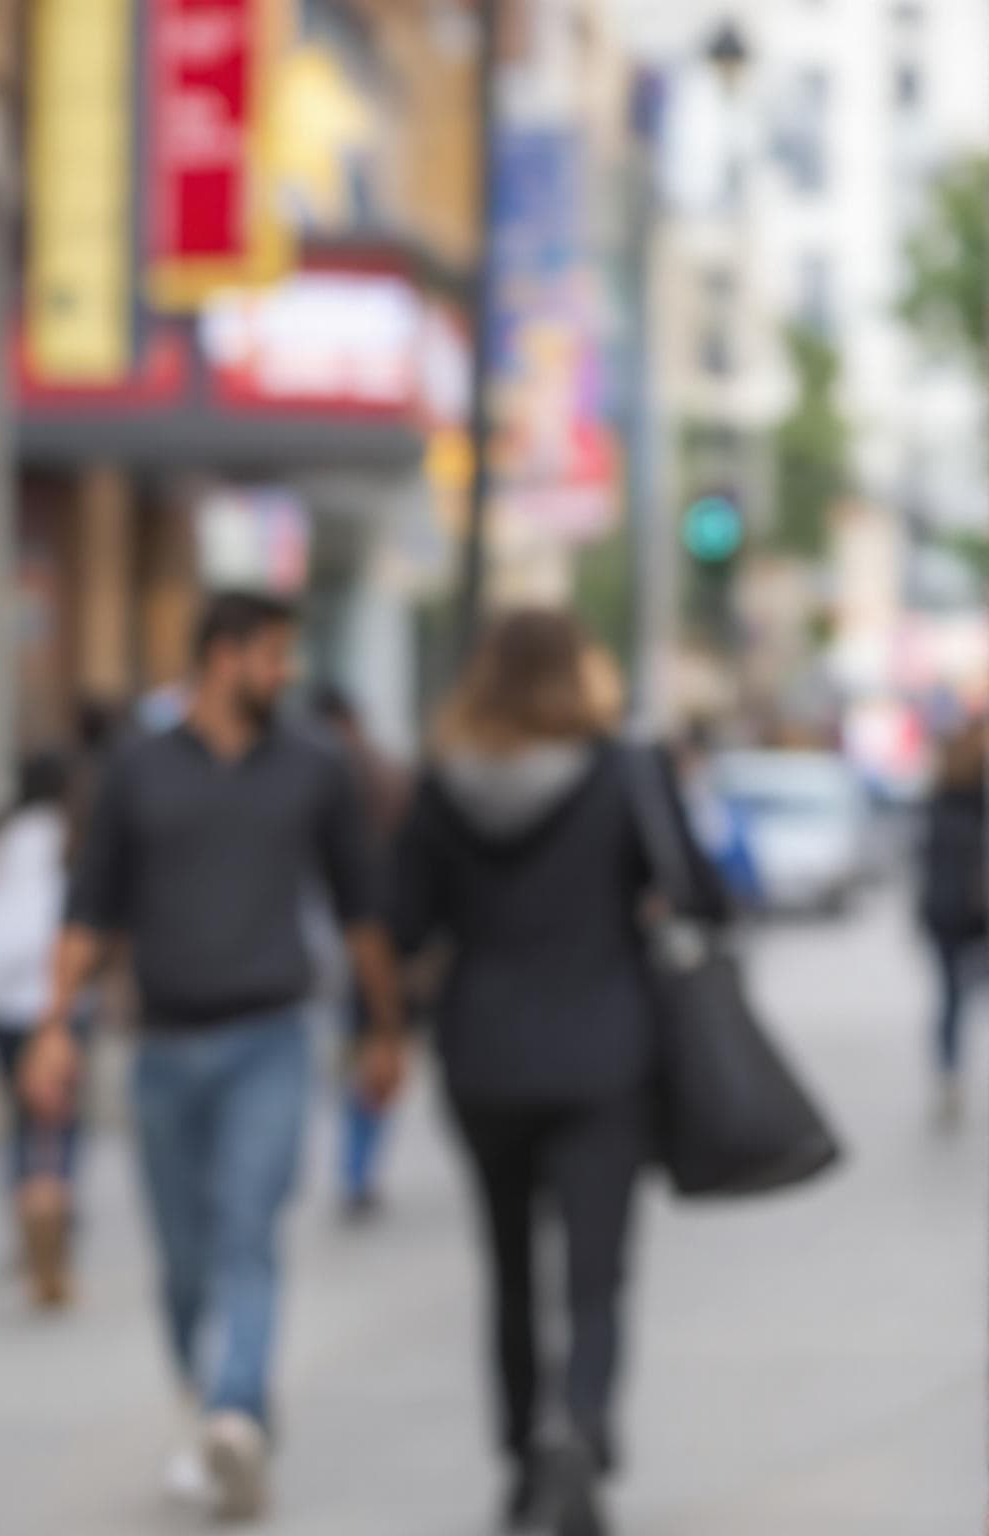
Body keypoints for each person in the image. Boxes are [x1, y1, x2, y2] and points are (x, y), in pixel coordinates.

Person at [20, 591, 407, 1523]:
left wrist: (385, 1031)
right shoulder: (139, 770)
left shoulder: (315, 766)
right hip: (163, 1049)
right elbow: (89, 911)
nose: (286, 673)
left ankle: (234, 1414)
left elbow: (361, 912)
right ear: (224, 657)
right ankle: (221, 1405)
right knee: (185, 1258)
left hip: (274, 1038)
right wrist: (53, 1026)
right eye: (273, 656)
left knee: (248, 1230)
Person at [390, 611, 729, 1536]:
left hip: (485, 1060)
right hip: (603, 1056)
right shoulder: (627, 770)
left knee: (507, 1268)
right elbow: (704, 893)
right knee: (596, 1273)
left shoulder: (441, 783)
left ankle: (518, 1457)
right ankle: (579, 1429)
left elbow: (405, 924)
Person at [0, 751, 87, 1307]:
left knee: (18, 1107)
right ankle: (56, 1212)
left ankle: (25, 1212)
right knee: (60, 1111)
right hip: (57, 985)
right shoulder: (70, 832)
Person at [306, 684, 412, 1220]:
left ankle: (355, 1167)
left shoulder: (316, 773)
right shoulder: (382, 771)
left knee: (365, 1043)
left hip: (345, 932)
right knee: (372, 1041)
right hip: (372, 933)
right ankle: (357, 1167)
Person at [919, 717, 987, 1125]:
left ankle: (949, 1077)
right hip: (955, 918)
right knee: (951, 1001)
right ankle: (949, 1077)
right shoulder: (950, 801)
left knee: (953, 1001)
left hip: (956, 915)